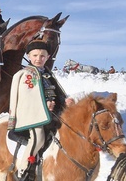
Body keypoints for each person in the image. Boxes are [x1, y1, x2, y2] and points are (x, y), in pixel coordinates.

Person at [7, 40, 75, 180]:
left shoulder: (48, 74)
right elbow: (27, 97)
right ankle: (23, 170)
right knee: (38, 138)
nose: (39, 59)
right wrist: (44, 105)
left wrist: (64, 101)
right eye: (35, 55)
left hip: (52, 113)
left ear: (48, 57)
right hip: (32, 116)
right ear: (29, 56)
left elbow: (56, 91)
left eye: (42, 56)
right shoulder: (25, 74)